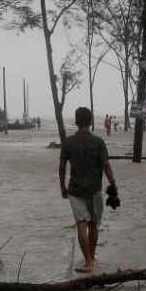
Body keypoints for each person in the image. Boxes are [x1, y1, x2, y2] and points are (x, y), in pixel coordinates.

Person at [59, 107, 117, 273]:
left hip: (75, 190)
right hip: (94, 189)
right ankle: (92, 257)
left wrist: (62, 186)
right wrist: (113, 183)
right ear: (90, 122)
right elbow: (106, 165)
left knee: (81, 224)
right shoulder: (98, 142)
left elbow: (62, 167)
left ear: (76, 122)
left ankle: (88, 262)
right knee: (93, 224)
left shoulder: (68, 143)